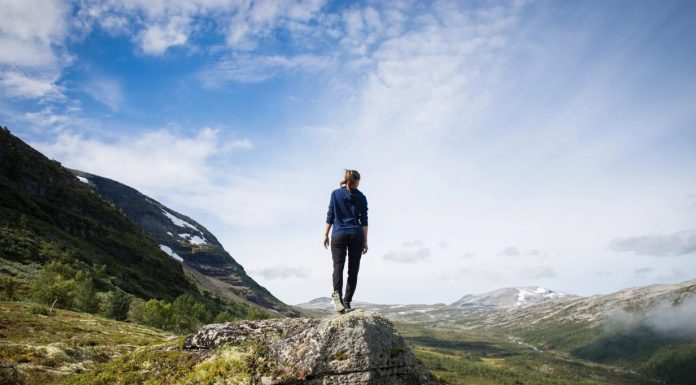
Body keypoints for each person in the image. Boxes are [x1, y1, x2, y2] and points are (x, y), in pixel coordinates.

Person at [323, 169, 369, 314]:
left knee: (338, 267)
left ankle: (338, 299)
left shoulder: (335, 194)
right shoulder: (361, 197)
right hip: (356, 234)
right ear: (356, 180)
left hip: (338, 234)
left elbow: (330, 215)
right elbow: (364, 221)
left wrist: (325, 234)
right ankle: (347, 301)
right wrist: (365, 241)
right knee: (353, 270)